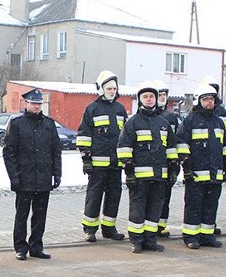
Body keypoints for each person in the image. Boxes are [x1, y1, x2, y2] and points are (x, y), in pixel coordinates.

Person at [117, 81, 178, 253]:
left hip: (160, 175)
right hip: (139, 175)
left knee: (155, 208)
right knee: (138, 208)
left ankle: (150, 240)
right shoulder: (133, 122)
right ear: (140, 100)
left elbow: (172, 148)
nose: (149, 99)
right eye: (146, 97)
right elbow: (124, 148)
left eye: (152, 96)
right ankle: (136, 240)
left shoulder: (163, 122)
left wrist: (173, 169)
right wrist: (128, 172)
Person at [3, 88, 62, 260]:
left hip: (43, 177)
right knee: (21, 215)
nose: (36, 106)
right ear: (26, 103)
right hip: (24, 178)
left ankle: (36, 246)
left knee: (40, 215)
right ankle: (21, 247)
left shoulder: (49, 124)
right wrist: (13, 176)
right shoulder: (16, 124)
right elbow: (9, 152)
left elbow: (56, 151)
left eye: (39, 103)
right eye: (33, 103)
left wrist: (57, 174)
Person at [176, 83, 226, 249]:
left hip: (215, 174)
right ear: (198, 101)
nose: (209, 102)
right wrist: (186, 167)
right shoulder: (190, 121)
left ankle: (207, 235)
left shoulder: (219, 122)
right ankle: (191, 236)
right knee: (194, 205)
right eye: (206, 99)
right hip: (196, 174)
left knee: (211, 205)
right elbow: (181, 144)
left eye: (212, 99)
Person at [76, 70, 128, 242]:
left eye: (114, 88)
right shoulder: (92, 109)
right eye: (109, 88)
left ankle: (109, 228)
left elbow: (126, 136)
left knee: (114, 196)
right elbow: (84, 135)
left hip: (115, 164)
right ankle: (90, 229)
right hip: (97, 164)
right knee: (94, 196)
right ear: (101, 89)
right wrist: (86, 159)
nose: (112, 91)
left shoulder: (120, 109)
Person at [153, 79, 182, 238]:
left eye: (164, 94)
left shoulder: (171, 117)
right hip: (151, 163)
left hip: (166, 162)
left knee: (165, 195)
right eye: (160, 95)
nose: (162, 97)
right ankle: (151, 224)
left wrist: (175, 165)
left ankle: (161, 225)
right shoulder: (144, 116)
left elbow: (176, 140)